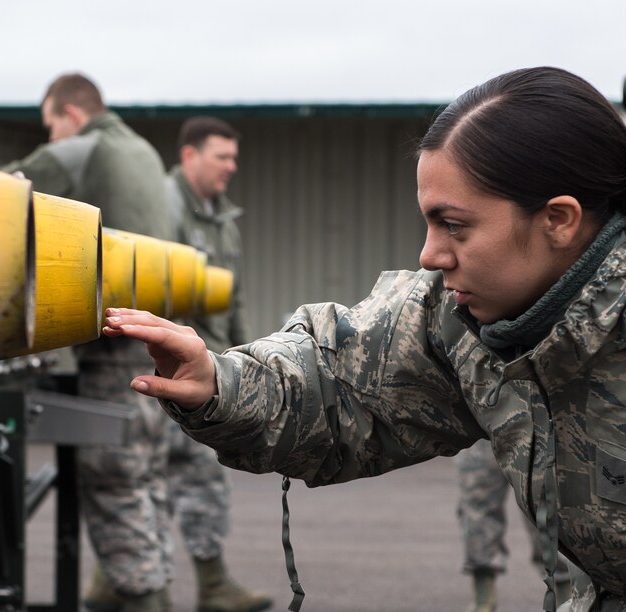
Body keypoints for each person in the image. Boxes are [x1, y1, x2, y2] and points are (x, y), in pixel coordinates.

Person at [102, 66, 626, 612]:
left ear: (559, 220)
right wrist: (219, 380)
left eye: (455, 226)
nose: (430, 255)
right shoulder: (462, 320)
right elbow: (344, 380)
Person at [1, 73, 176, 611]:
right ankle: (139, 588)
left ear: (71, 116)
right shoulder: (145, 153)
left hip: (114, 350)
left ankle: (146, 600)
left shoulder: (81, 148)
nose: (51, 137)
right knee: (145, 475)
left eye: (50, 125)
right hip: (156, 338)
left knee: (111, 478)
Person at [165, 116, 272, 611]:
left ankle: (200, 583)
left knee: (177, 477)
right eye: (221, 156)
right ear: (190, 155)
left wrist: (242, 355)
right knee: (163, 477)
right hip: (170, 367)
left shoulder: (222, 218)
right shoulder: (163, 208)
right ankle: (192, 586)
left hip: (211, 364)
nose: (231, 166)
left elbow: (235, 295)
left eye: (234, 156)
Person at [456, 440, 573, 611]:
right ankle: (484, 598)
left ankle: (565, 594)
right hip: (479, 426)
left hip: (531, 422)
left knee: (544, 502)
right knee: (477, 502)